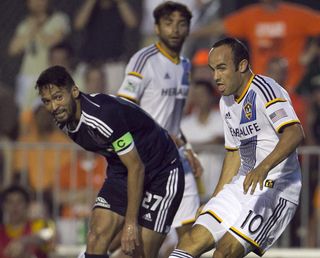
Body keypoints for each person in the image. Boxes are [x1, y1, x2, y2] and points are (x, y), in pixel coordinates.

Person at [168, 37, 305, 258]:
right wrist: (215, 199)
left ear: (241, 66)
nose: (215, 77)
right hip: (241, 186)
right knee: (190, 241)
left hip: (275, 188)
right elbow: (233, 153)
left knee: (224, 253)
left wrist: (263, 168)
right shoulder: (226, 102)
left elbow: (294, 132)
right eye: (213, 70)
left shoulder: (266, 89)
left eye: (221, 68)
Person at [35, 65, 185, 258]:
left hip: (161, 172)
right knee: (97, 236)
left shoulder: (101, 117)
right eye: (47, 101)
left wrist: (130, 224)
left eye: (58, 97)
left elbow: (136, 167)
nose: (54, 107)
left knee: (139, 252)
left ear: (74, 91)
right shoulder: (62, 119)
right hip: (122, 169)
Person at [117, 1, 202, 254]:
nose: (175, 30)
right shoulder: (144, 60)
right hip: (148, 159)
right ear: (156, 28)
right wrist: (160, 136)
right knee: (121, 239)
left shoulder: (186, 66)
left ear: (188, 29)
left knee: (191, 230)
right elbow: (123, 108)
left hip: (177, 161)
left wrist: (188, 148)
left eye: (181, 24)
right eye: (168, 23)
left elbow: (173, 121)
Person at [190, 0, 320, 128]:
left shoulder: (296, 15)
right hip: (260, 89)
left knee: (296, 126)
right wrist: (189, 33)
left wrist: (311, 52)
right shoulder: (251, 16)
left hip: (293, 87)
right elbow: (221, 27)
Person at [0, 184, 55, 258]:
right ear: (4, 206)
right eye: (10, 202)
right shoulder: (1, 232)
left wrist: (24, 241)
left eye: (19, 202)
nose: (14, 206)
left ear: (27, 205)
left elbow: (48, 235)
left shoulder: (36, 225)